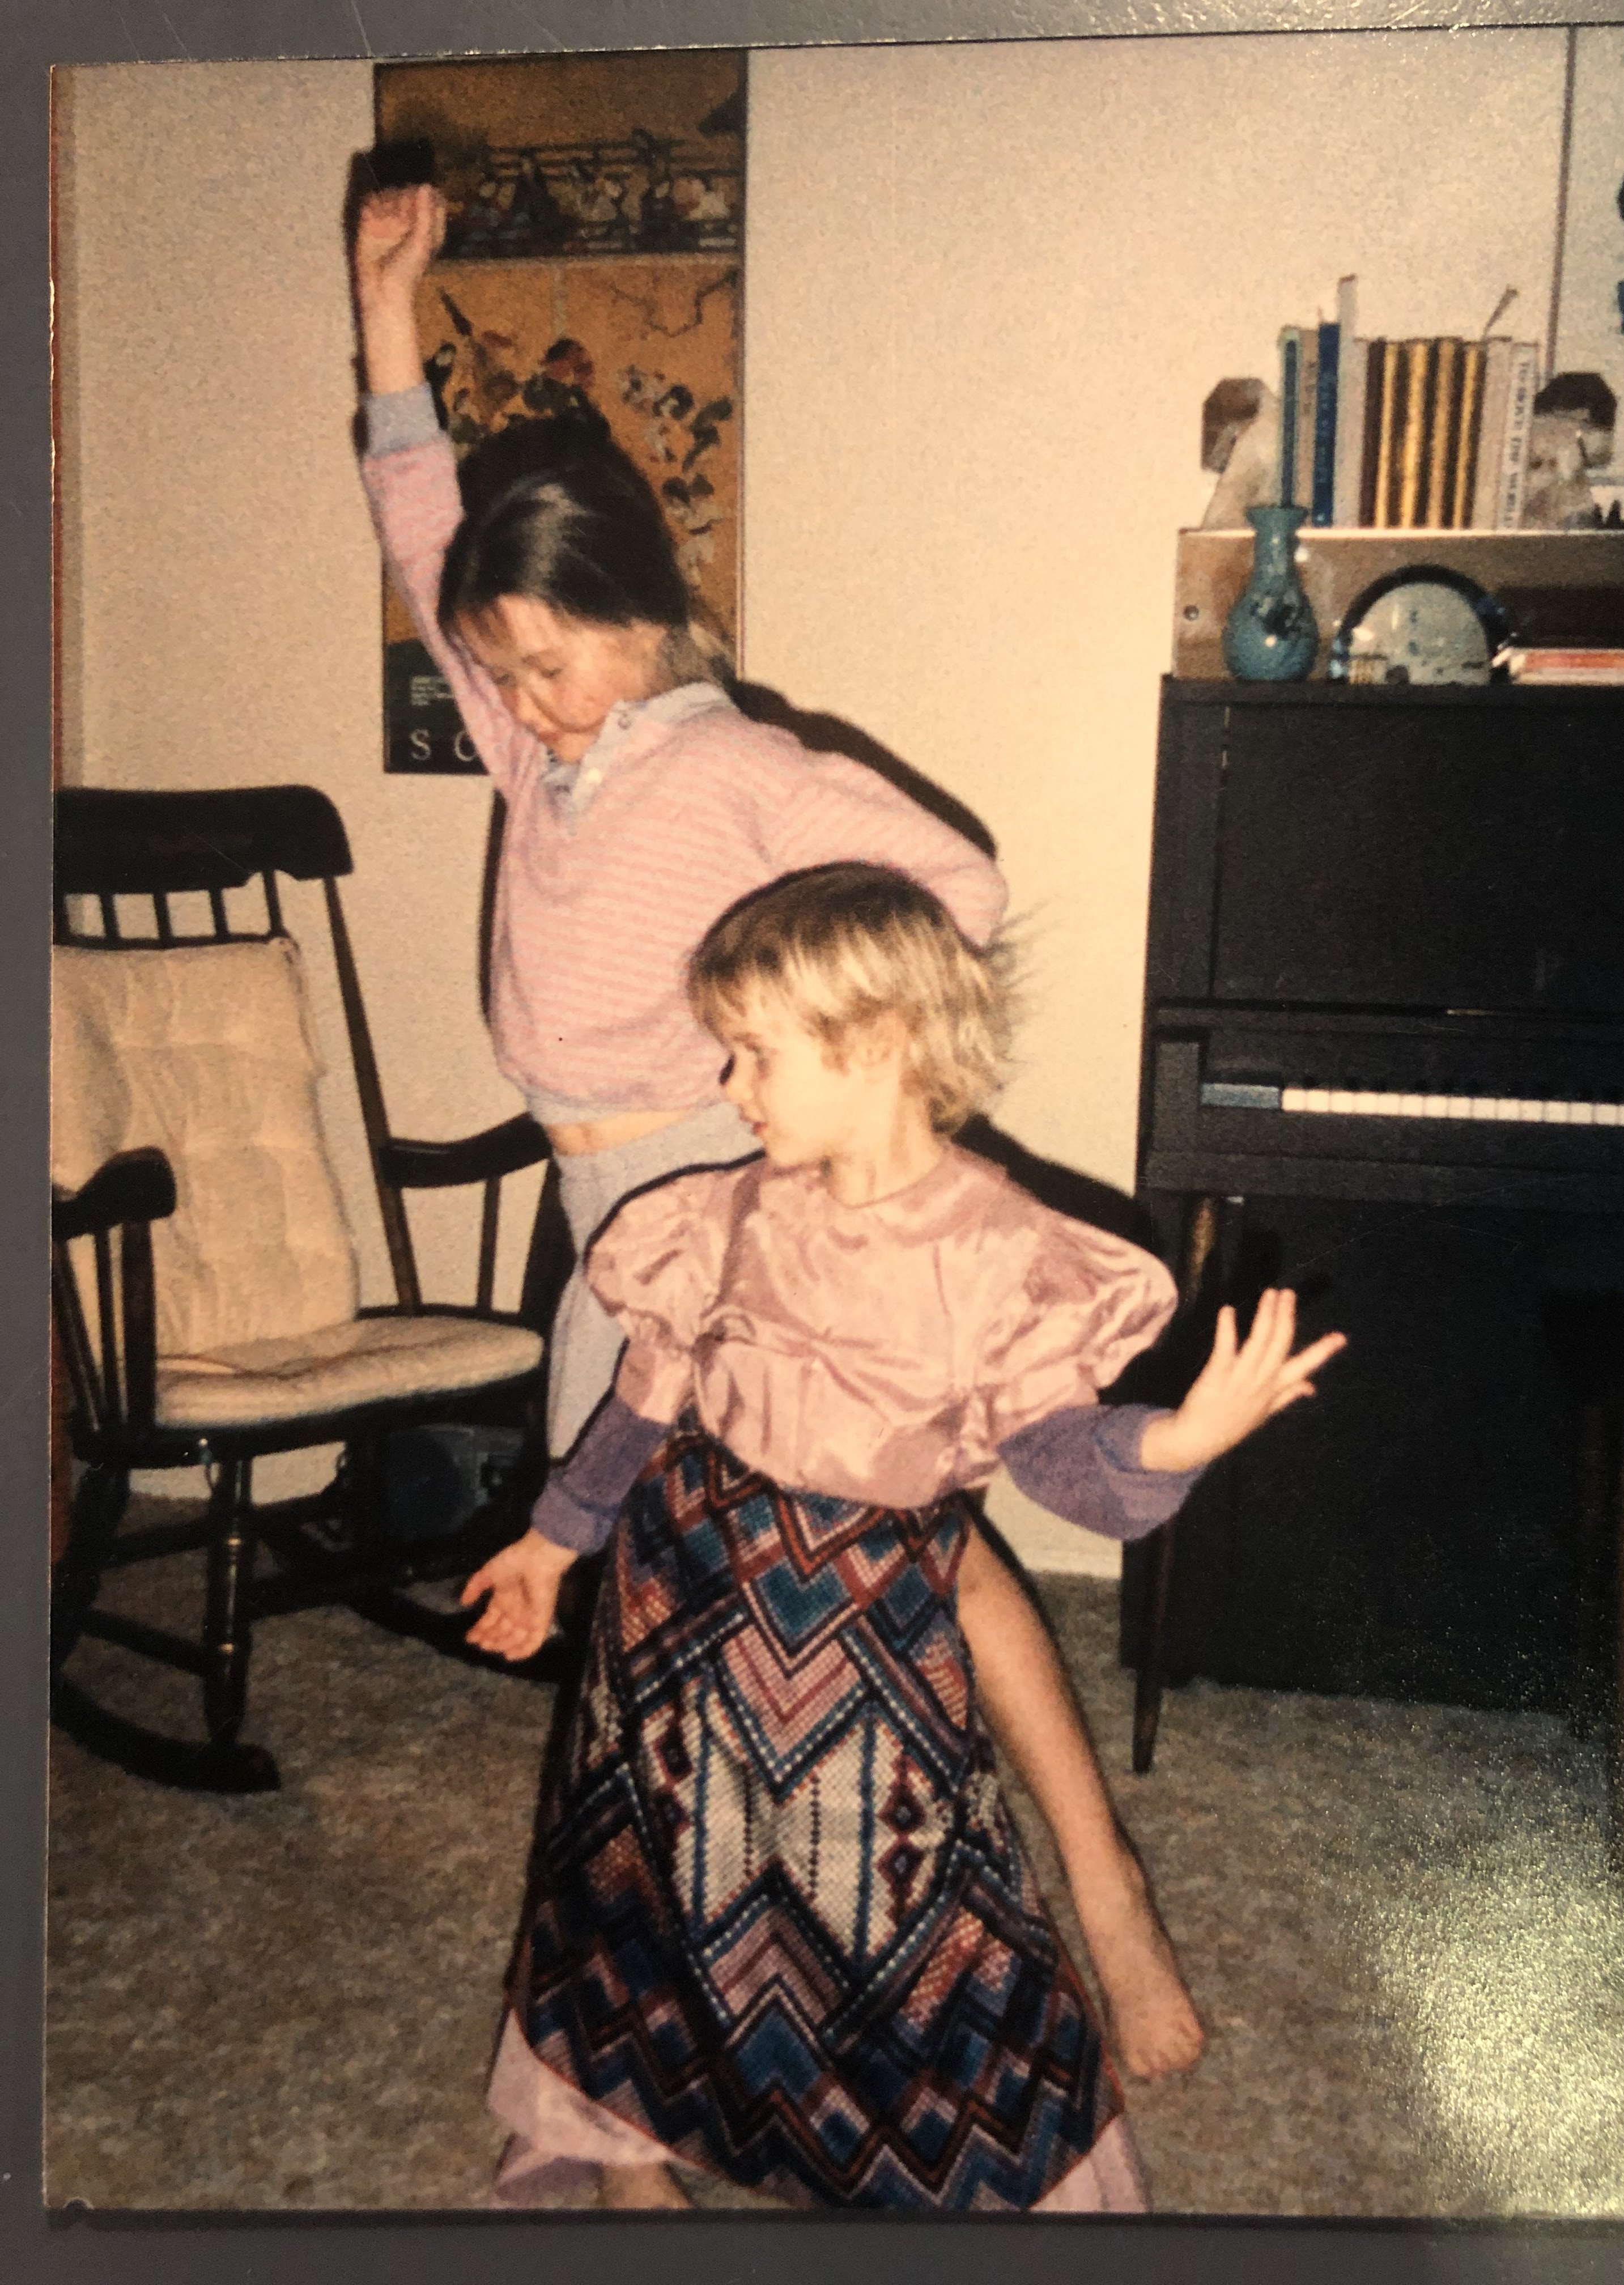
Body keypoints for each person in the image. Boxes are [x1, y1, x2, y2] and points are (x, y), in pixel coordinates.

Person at [352, 182, 1206, 2097]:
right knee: (660, 1583)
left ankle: (1103, 1897)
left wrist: (833, 1082)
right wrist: (384, 314)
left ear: (644, 621)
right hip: (608, 1213)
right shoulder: (541, 744)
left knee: (916, 1553)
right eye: (501, 671)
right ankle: (672, 1987)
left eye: (550, 662)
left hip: (713, 1183)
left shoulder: (737, 766)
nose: (520, 700)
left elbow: (957, 887)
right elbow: (425, 553)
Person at [462, 865, 1345, 2212]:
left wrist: (1172, 1442)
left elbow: (1057, 1458)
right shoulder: (727, 1213)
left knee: (916, 1916)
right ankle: (626, 2151)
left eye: (757, 1051)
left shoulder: (1001, 1252)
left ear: (875, 1043)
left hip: (864, 1648)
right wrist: (552, 1541)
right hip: (675, 1606)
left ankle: (998, 2170)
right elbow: (645, 1402)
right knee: (640, 1879)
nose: (733, 1083)